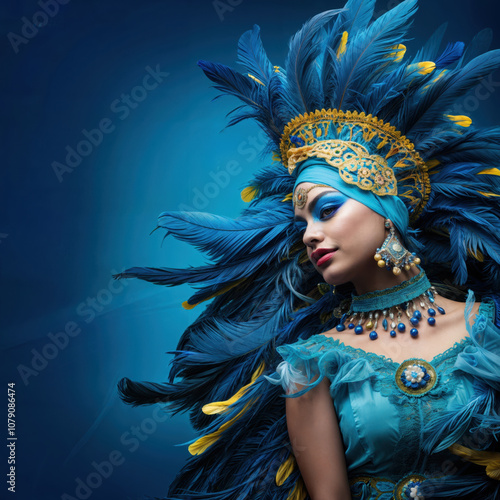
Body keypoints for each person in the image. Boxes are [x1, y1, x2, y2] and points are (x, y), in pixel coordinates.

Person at [114, 0, 500, 498]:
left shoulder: (486, 328)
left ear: (387, 207)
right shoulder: (309, 364)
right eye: (301, 223)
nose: (310, 234)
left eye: (326, 209)